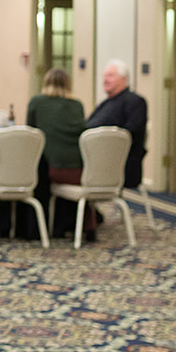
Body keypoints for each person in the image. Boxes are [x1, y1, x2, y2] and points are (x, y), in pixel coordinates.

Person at [26, 67, 90, 239]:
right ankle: (65, 223)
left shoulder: (37, 102)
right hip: (80, 170)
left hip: (53, 169)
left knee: (39, 166)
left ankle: (38, 227)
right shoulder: (77, 105)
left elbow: (30, 134)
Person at [85, 59, 146, 192]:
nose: (105, 80)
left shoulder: (135, 102)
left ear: (124, 79)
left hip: (119, 165)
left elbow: (128, 134)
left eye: (110, 76)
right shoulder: (105, 103)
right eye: (104, 76)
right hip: (96, 159)